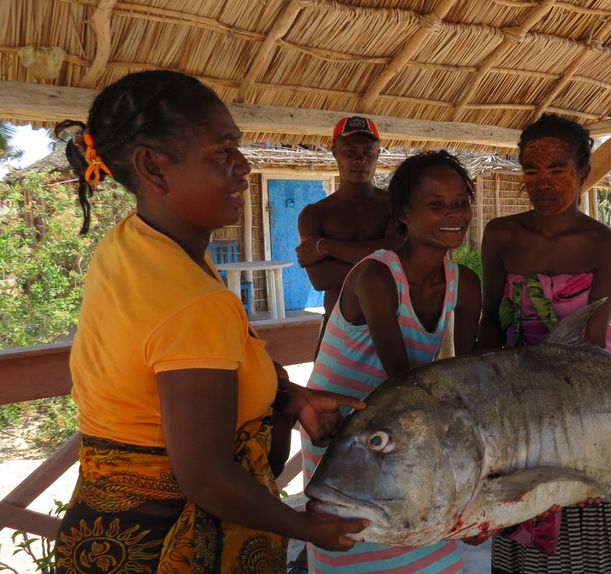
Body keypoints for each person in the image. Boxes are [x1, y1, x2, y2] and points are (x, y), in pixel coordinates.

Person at [52, 70, 367, 572]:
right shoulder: (190, 299)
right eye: (222, 152)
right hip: (171, 544)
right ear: (153, 167)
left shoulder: (134, 245)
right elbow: (206, 476)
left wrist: (290, 397)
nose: (243, 166)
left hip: (107, 529)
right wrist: (306, 527)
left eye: (237, 148)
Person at [300, 150, 482, 573]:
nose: (452, 213)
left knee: (424, 548)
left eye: (460, 202)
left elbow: (467, 380)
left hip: (397, 423)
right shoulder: (377, 276)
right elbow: (405, 382)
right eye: (435, 204)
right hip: (342, 429)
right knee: (357, 542)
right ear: (403, 212)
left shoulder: (464, 284)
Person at [477, 113, 611, 574]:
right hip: (514, 407)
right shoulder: (501, 235)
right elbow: (490, 324)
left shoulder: (607, 246)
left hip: (586, 401)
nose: (542, 183)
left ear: (583, 173)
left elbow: (592, 343)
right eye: (530, 170)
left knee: (582, 514)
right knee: (520, 515)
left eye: (557, 169)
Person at [295, 116, 401, 350]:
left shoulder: (395, 205)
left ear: (378, 153)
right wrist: (385, 255)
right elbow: (321, 279)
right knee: (328, 389)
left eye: (368, 151)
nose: (360, 158)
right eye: (350, 150)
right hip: (337, 328)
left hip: (397, 325)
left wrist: (327, 247)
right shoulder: (314, 214)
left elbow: (403, 256)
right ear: (334, 151)